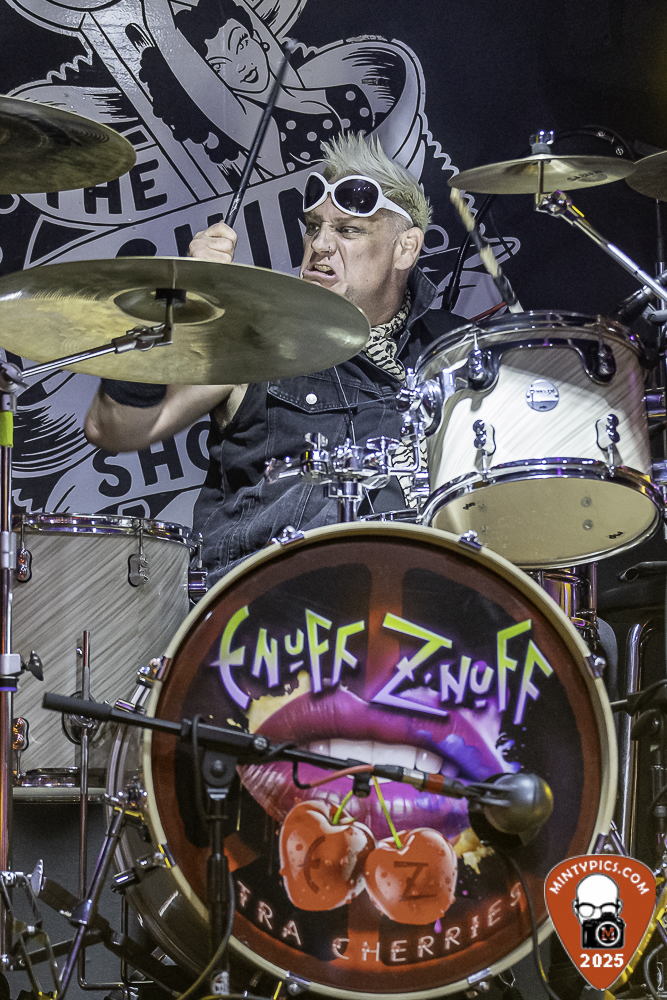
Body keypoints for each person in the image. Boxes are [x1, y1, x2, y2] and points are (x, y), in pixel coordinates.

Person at [84, 133, 463, 587]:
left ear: (406, 248)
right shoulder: (257, 332)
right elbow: (115, 428)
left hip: (409, 602)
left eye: (347, 230)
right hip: (262, 605)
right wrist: (172, 298)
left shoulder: (454, 349)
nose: (321, 244)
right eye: (313, 227)